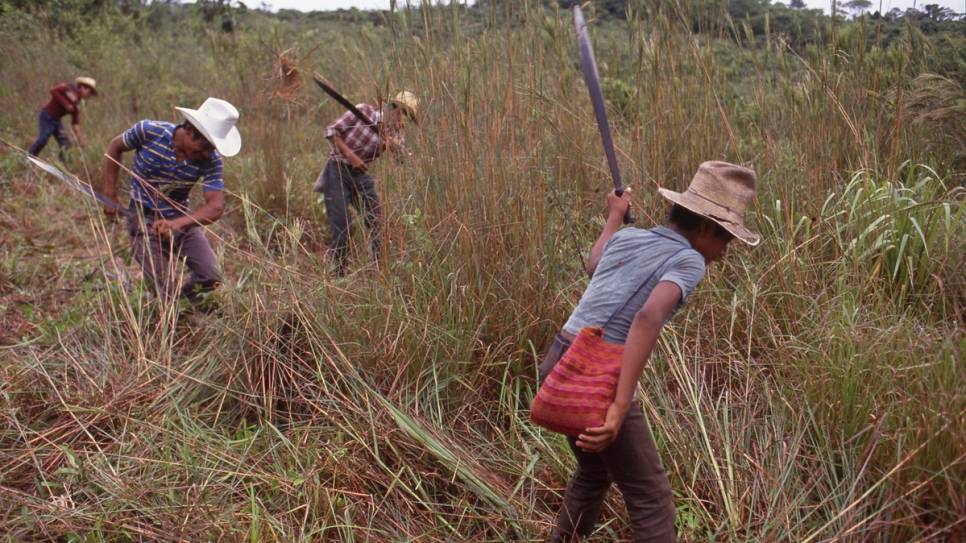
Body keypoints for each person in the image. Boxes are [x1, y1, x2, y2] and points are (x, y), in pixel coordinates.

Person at [538, 162, 760, 542]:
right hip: (595, 375)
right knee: (651, 495)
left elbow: (595, 265)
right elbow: (647, 318)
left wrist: (614, 216)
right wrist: (620, 405)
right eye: (727, 239)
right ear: (706, 227)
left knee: (594, 473)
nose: (725, 252)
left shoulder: (628, 238)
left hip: (560, 360)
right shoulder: (689, 260)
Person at [101, 98, 241, 308]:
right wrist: (109, 193)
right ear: (188, 130)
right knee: (162, 283)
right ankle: (168, 309)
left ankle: (175, 309)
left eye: (211, 149)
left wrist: (178, 224)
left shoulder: (211, 160)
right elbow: (114, 147)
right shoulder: (149, 131)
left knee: (211, 274)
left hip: (180, 217)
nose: (205, 153)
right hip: (141, 216)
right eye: (203, 146)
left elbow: (215, 207)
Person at [313, 91, 419, 274]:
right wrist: (351, 156)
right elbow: (331, 131)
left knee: (377, 223)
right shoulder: (364, 111)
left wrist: (394, 146)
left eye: (407, 119)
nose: (403, 122)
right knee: (343, 225)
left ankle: (378, 269)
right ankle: (338, 273)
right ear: (394, 110)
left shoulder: (395, 133)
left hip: (360, 176)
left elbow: (402, 159)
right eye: (402, 115)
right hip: (337, 169)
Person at [27, 77, 98, 161]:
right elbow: (53, 90)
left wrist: (80, 139)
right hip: (47, 115)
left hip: (56, 121)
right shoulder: (69, 88)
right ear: (83, 88)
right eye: (89, 92)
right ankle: (28, 158)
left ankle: (63, 167)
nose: (89, 96)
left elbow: (75, 123)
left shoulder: (77, 105)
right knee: (42, 139)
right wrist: (66, 104)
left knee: (66, 144)